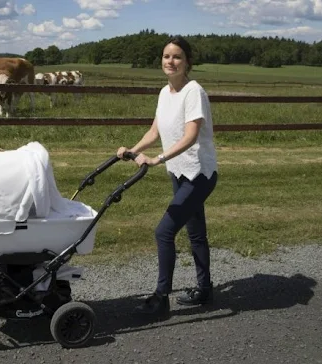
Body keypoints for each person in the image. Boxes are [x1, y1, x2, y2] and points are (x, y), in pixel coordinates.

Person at [117, 36, 218, 319]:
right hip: (179, 171)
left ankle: (161, 298)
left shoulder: (193, 92)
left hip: (199, 173)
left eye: (176, 57)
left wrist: (157, 159)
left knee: (164, 232)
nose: (170, 61)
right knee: (195, 232)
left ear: (187, 63)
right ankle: (205, 289)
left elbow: (191, 136)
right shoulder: (164, 93)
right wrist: (130, 151)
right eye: (166, 56)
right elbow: (155, 131)